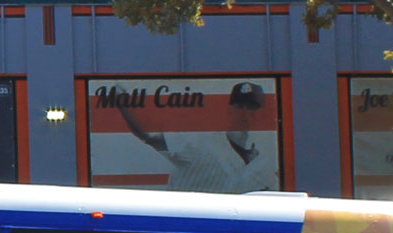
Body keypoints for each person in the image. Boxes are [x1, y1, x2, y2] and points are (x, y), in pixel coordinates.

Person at [117, 81, 278, 192]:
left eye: (251, 107)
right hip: (181, 226)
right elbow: (148, 134)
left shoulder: (265, 167)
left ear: (261, 115)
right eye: (239, 106)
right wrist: (119, 97)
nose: (244, 112)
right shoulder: (202, 142)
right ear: (229, 110)